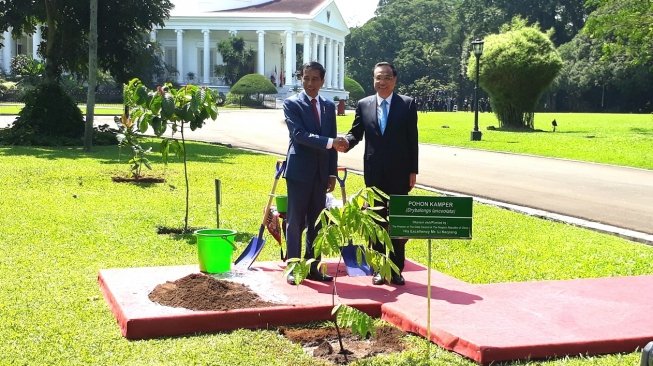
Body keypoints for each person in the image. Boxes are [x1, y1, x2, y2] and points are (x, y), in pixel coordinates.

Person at [336, 61, 418, 286]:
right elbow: (356, 133)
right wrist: (345, 142)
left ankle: (396, 269)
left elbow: (413, 140)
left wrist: (413, 170)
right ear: (373, 79)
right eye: (377, 78)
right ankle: (380, 269)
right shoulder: (363, 105)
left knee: (398, 222)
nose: (381, 82)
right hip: (374, 173)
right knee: (375, 221)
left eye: (386, 78)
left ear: (395, 80)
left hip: (400, 173)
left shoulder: (407, 105)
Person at [283, 61, 349, 285]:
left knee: (318, 221)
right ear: (301, 78)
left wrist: (331, 173)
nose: (310, 83)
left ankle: (313, 266)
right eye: (306, 78)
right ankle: (293, 266)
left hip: (321, 173)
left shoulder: (328, 106)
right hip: (299, 171)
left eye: (315, 79)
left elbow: (331, 139)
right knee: (295, 221)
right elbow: (299, 135)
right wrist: (331, 142)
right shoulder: (292, 104)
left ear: (322, 80)